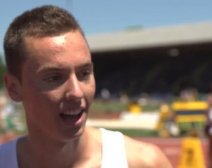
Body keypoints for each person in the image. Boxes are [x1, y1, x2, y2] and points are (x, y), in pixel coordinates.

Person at [0, 5, 172, 168]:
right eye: (54, 77)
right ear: (14, 88)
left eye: (84, 73)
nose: (76, 92)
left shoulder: (144, 163)